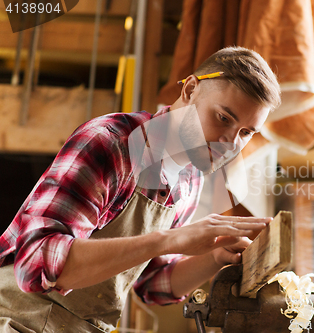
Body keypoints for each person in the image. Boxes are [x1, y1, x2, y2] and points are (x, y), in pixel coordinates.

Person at [0, 46, 281, 332]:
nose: (231, 143)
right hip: (18, 320)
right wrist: (169, 240)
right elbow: (35, 263)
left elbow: (152, 283)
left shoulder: (190, 180)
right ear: (191, 90)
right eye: (223, 117)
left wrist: (215, 257)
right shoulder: (111, 144)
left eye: (246, 132)